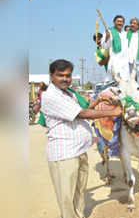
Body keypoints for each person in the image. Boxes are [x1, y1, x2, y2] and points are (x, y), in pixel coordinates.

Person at [40, 59, 121, 218]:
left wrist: (98, 100)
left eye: (68, 75)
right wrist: (112, 112)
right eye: (60, 75)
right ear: (51, 77)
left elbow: (83, 109)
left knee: (79, 192)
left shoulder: (69, 93)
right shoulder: (51, 96)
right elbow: (81, 114)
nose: (65, 79)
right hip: (64, 155)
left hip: (78, 152)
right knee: (67, 198)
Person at [102, 15, 130, 82]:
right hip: (115, 63)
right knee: (115, 83)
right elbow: (104, 46)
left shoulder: (125, 34)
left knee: (125, 83)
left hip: (125, 63)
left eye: (121, 22)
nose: (120, 23)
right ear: (114, 22)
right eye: (118, 21)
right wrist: (107, 38)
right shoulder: (109, 32)